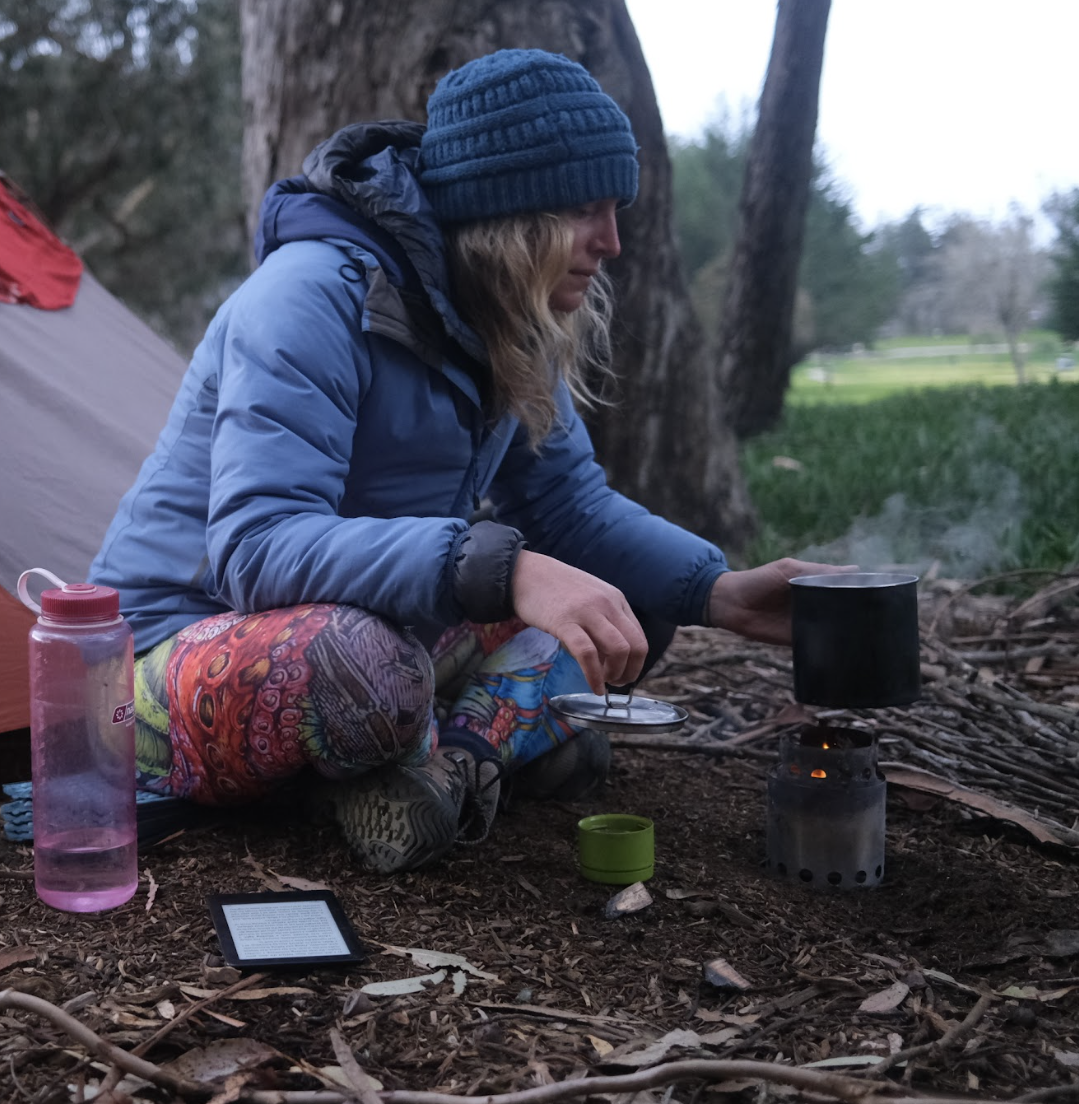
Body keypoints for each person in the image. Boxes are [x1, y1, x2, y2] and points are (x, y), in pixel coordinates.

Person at [90, 48, 841, 873]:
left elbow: (570, 509)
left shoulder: (500, 314)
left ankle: (438, 765)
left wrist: (719, 592)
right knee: (358, 666)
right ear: (507, 210)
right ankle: (454, 748)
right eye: (586, 209)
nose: (612, 242)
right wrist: (503, 569)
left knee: (619, 601)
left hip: (385, 627)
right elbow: (257, 549)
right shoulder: (308, 297)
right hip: (179, 651)